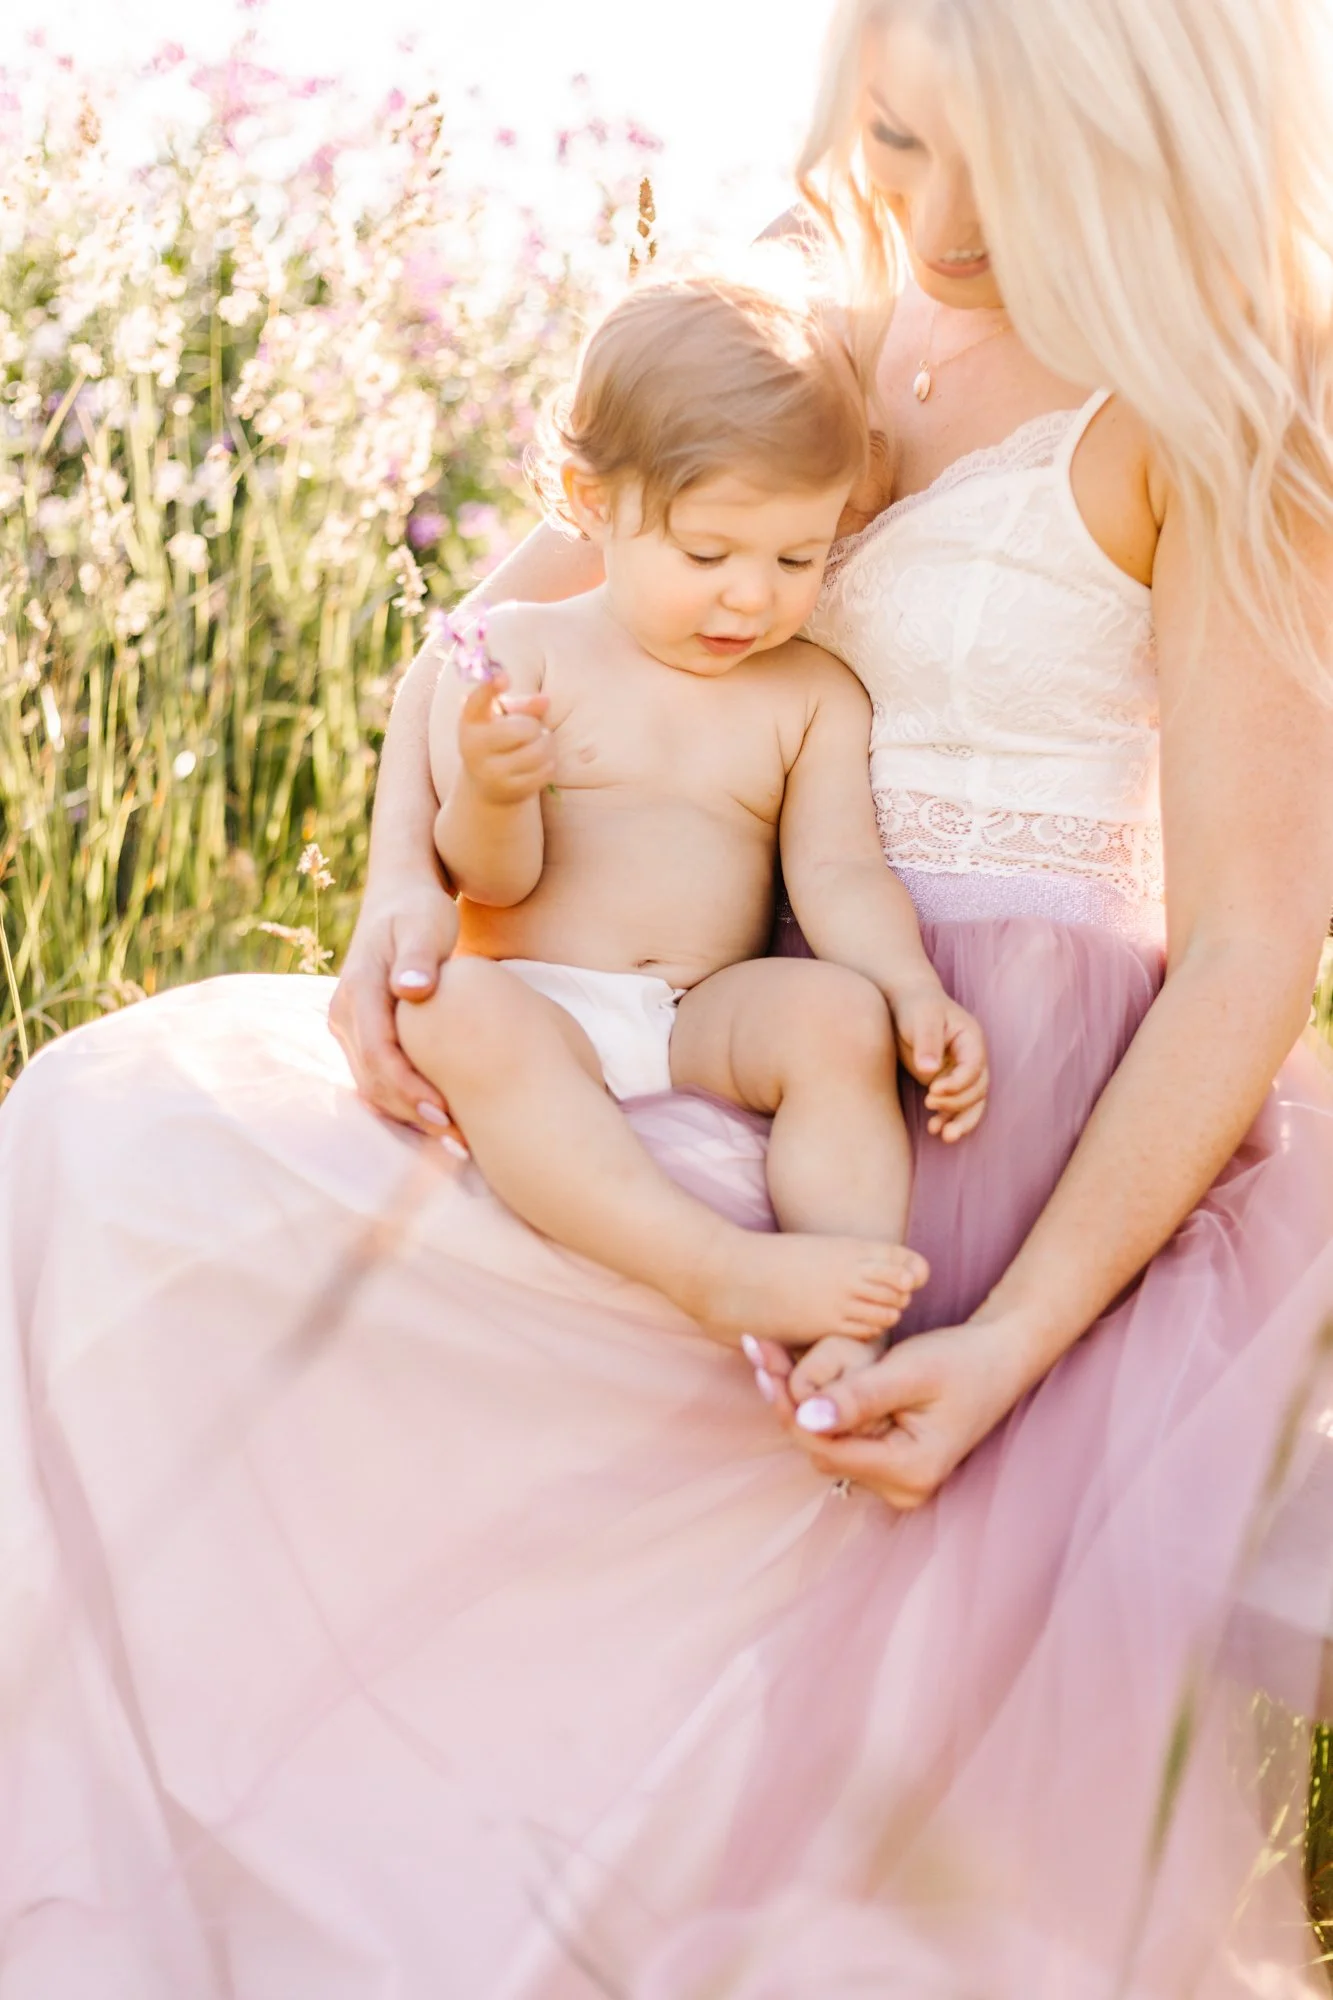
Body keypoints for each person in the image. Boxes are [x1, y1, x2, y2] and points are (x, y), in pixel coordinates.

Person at [2, 0, 1332, 1993]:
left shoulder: (1225, 405)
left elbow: (1248, 944)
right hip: (698, 997)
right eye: (897, 142)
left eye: (1010, 168)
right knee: (116, 1140)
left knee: (798, 1729)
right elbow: (490, 635)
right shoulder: (814, 323)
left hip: (971, 1101)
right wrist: (393, 893)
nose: (940, 227)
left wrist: (1018, 1340)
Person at [407, 275, 987, 1360]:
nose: (750, 599)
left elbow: (841, 875)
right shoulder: (524, 651)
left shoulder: (809, 692)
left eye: (795, 559)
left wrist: (908, 987)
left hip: (695, 1013)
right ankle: (707, 1265)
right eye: (708, 555)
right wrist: (491, 789)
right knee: (459, 1008)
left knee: (835, 1019)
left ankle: (846, 1307)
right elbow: (488, 883)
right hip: (544, 1001)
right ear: (591, 502)